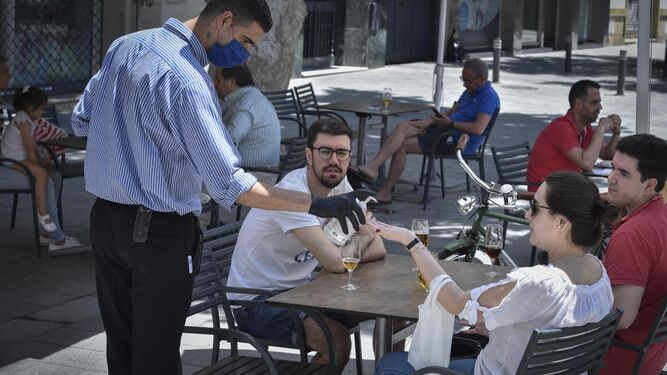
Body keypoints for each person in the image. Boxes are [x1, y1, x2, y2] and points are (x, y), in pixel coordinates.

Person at [70, 1, 369, 374]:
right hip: (159, 232)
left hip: (106, 220)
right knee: (156, 355)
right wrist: (315, 205)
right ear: (224, 20)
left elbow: (81, 120)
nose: (246, 53)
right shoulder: (190, 81)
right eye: (246, 41)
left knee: (123, 347)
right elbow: (230, 185)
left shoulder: (125, 45)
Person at [370, 171, 616, 375]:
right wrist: (497, 328)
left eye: (535, 207)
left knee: (390, 365)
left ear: (562, 222)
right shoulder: (597, 272)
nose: (527, 214)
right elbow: (552, 326)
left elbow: (454, 302)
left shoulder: (539, 283)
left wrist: (413, 243)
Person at [228, 118, 386, 370]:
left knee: (392, 317)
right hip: (256, 301)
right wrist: (363, 237)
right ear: (309, 155)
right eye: (325, 152)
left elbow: (379, 249)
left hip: (303, 292)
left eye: (342, 153)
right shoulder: (294, 194)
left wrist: (352, 248)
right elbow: (336, 261)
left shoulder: (339, 185)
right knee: (335, 341)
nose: (334, 160)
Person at [349, 57, 499, 204]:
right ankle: (373, 168)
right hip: (445, 127)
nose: (465, 85)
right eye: (463, 79)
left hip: (457, 140)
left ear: (481, 78)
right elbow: (454, 111)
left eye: (468, 81)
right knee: (402, 126)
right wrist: (431, 121)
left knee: (401, 145)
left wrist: (450, 123)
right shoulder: (471, 91)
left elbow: (478, 129)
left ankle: (383, 189)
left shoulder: (488, 97)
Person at [600, 134, 667, 375]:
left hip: (613, 362)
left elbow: (621, 317)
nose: (611, 178)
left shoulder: (633, 235)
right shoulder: (661, 217)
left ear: (649, 185)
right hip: (651, 358)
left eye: (624, 174)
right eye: (613, 168)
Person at [0, 86, 87, 254]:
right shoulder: (23, 121)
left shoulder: (26, 119)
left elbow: (32, 145)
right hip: (13, 160)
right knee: (42, 175)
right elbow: (29, 147)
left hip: (17, 157)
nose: (42, 112)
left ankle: (48, 233)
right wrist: (38, 164)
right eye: (41, 108)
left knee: (54, 175)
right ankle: (45, 217)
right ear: (32, 108)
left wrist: (42, 161)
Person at [527, 79, 621, 191]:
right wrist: (600, 129)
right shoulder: (562, 128)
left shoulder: (585, 127)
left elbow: (607, 154)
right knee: (608, 202)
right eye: (594, 103)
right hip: (547, 193)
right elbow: (586, 164)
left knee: (616, 199)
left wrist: (616, 133)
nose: (600, 107)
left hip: (565, 188)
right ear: (578, 104)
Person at [213, 63, 280, 172]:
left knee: (193, 185)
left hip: (258, 175)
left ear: (232, 82)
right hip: (257, 171)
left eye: (218, 79)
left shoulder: (246, 104)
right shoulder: (250, 96)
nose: (214, 84)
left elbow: (227, 141)